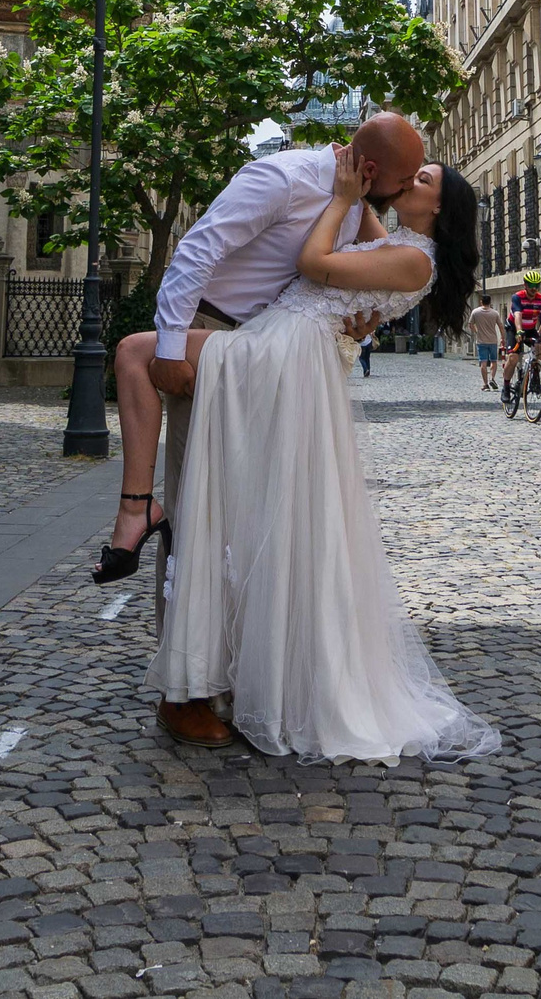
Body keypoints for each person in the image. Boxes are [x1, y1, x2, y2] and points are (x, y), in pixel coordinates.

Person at [145, 145, 493, 761]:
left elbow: (315, 263)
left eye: (422, 179)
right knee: (238, 512)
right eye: (409, 171)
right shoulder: (401, 242)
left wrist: (342, 197)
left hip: (287, 355)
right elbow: (367, 249)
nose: (409, 181)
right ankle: (204, 667)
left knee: (234, 503)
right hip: (286, 349)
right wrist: (361, 187)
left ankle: (137, 522)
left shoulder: (415, 257)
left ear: (440, 206)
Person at [102, 114, 424, 594]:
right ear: (372, 170)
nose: (405, 191)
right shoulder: (283, 178)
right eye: (403, 181)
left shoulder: (355, 204)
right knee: (196, 501)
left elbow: (378, 269)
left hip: (273, 356)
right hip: (211, 333)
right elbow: (197, 251)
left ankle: (245, 629)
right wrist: (170, 350)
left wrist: (364, 317)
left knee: (253, 508)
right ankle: (184, 630)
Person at [501, 270, 541, 397]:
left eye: (537, 285)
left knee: (540, 348)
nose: (534, 288)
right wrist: (519, 331)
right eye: (531, 285)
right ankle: (506, 387)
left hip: (530, 329)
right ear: (525, 285)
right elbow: (518, 315)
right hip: (514, 328)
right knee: (513, 358)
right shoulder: (517, 297)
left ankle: (535, 376)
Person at [466, 293, 501, 389]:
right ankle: (492, 378)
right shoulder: (495, 313)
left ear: (481, 302)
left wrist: (476, 331)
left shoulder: (475, 312)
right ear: (490, 302)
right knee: (494, 361)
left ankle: (485, 384)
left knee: (483, 363)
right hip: (493, 340)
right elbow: (501, 326)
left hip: (481, 341)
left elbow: (470, 324)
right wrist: (503, 338)